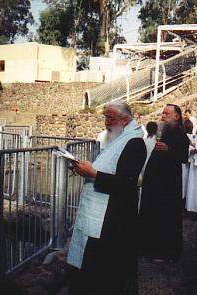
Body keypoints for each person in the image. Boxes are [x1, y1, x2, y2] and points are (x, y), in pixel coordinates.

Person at [67, 101, 146, 295]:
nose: (106, 123)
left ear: (125, 120)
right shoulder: (118, 139)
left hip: (113, 216)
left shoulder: (135, 144)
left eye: (110, 118)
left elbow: (126, 183)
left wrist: (93, 173)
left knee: (106, 271)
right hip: (103, 213)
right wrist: (86, 170)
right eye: (105, 117)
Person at [139, 104, 190, 262]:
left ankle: (164, 251)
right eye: (162, 113)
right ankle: (149, 248)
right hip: (156, 182)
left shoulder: (180, 133)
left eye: (167, 113)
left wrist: (168, 149)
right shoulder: (165, 131)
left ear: (176, 116)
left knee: (165, 217)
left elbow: (183, 157)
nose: (163, 116)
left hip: (168, 184)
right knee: (153, 215)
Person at [182, 118, 194, 200]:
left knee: (183, 181)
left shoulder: (185, 137)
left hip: (184, 162)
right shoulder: (192, 137)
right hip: (189, 162)